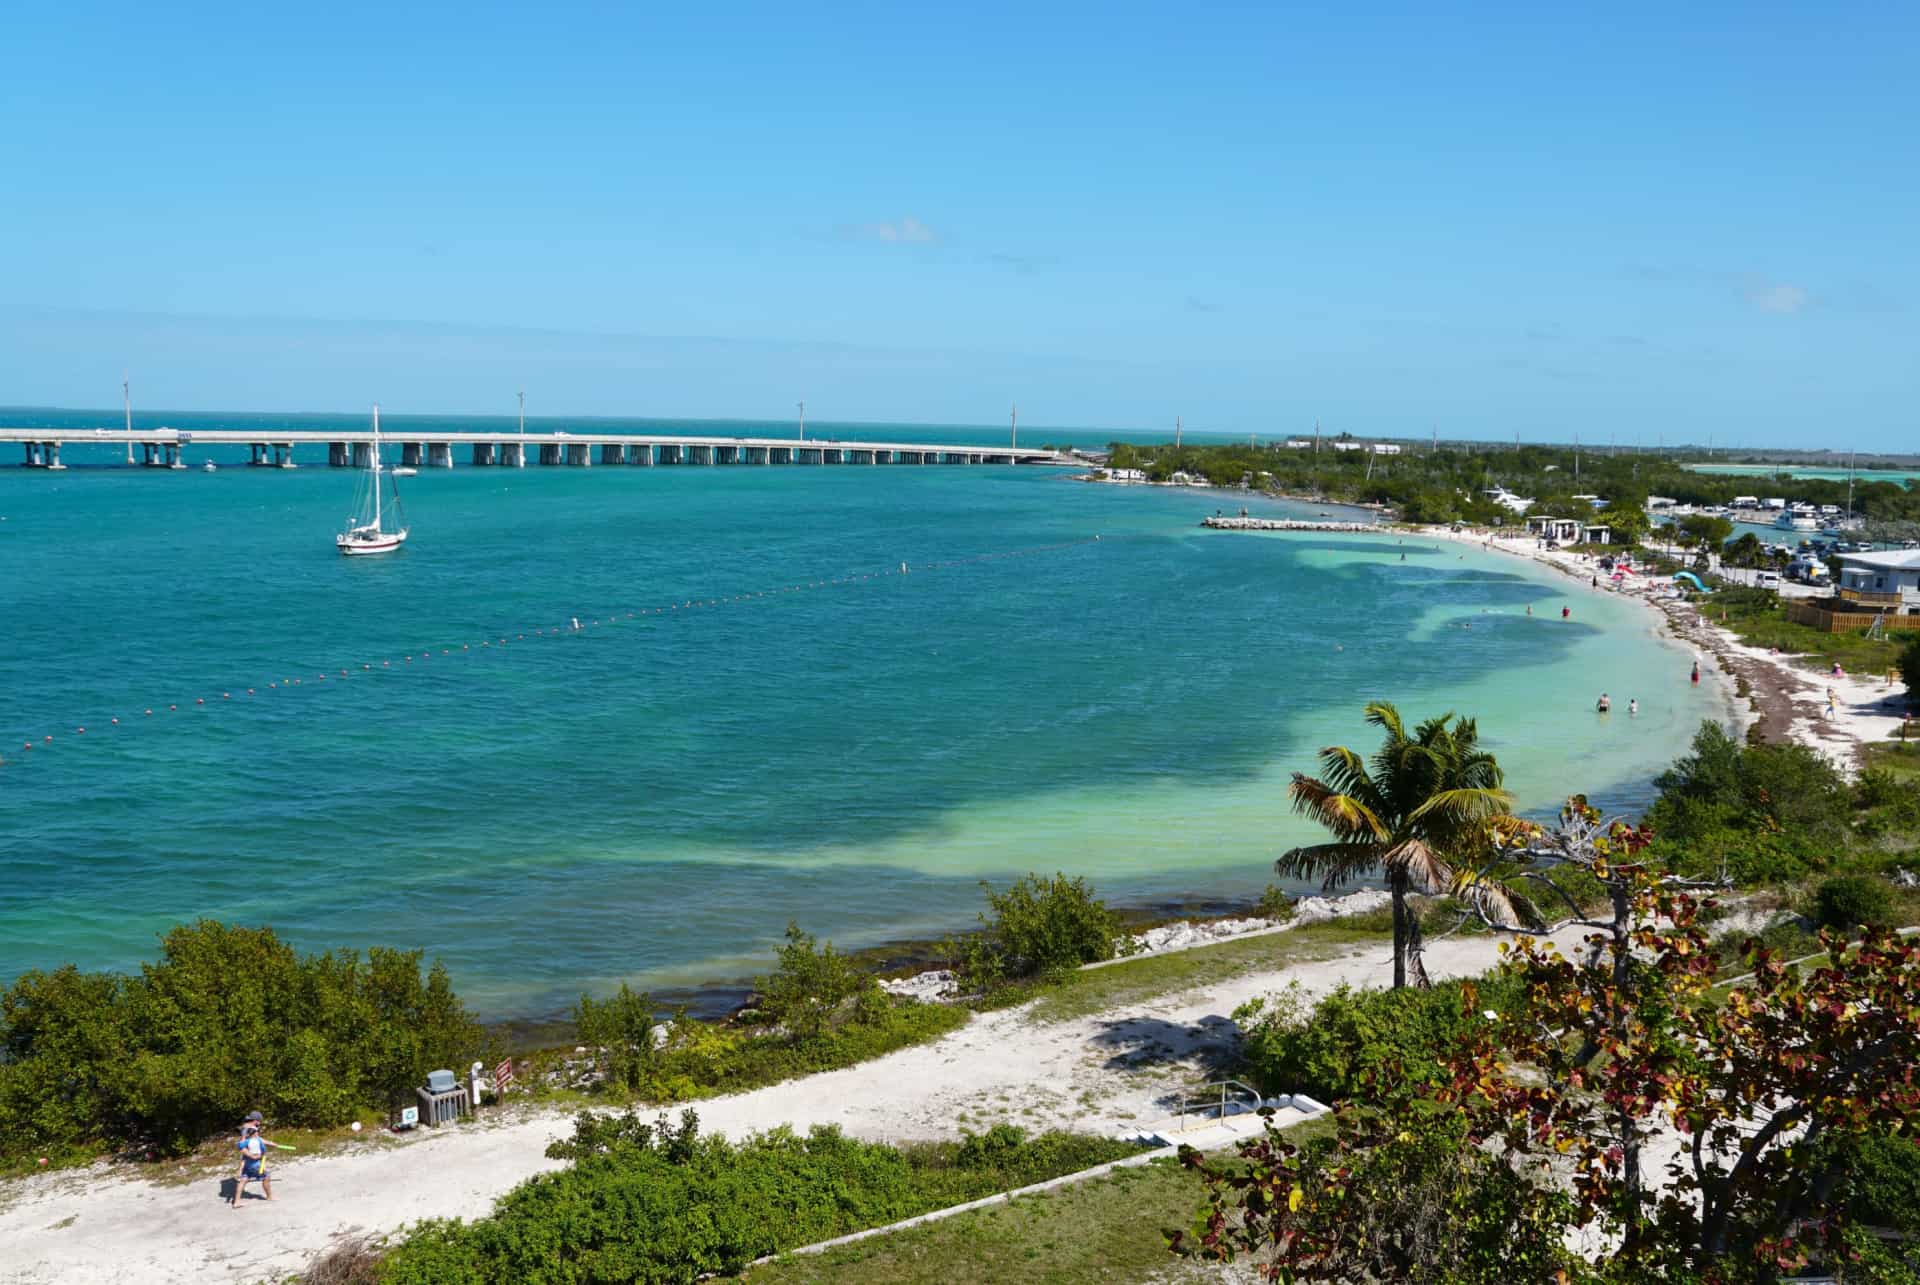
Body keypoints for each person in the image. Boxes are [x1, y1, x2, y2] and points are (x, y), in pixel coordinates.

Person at [234, 1113, 275, 1206]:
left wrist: (271, 1143)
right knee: (266, 1177)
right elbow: (242, 1146)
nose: (259, 1124)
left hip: (247, 1161)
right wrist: (252, 1156)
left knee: (244, 1179)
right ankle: (269, 1197)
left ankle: (236, 1202)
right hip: (254, 1161)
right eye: (259, 1121)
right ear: (255, 1120)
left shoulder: (249, 1128)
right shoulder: (248, 1130)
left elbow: (258, 1139)